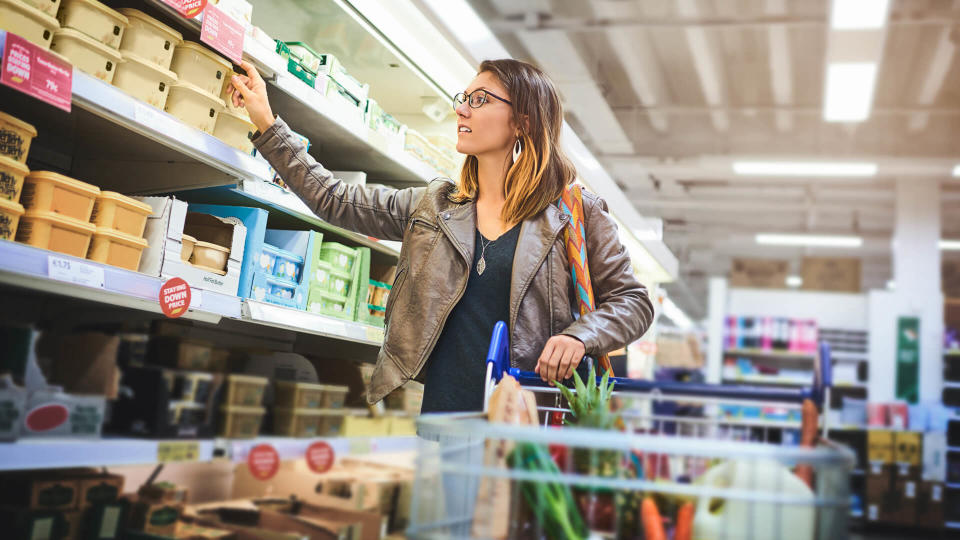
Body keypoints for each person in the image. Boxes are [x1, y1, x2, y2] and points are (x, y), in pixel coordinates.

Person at [229, 57, 654, 413]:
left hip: (533, 421)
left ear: (523, 121)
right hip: (445, 415)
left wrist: (579, 336)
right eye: (463, 98)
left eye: (480, 100)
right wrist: (266, 121)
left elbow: (633, 303)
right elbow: (334, 199)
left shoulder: (575, 215)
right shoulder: (434, 207)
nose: (462, 110)